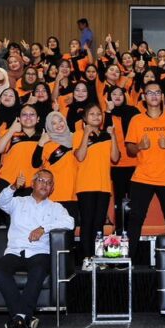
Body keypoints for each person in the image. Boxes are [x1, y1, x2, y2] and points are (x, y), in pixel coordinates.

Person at [0, 169, 74, 328]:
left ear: (52, 188)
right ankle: (24, 317)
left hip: (39, 252)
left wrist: (44, 228)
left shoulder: (56, 207)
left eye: (49, 183)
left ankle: (18, 318)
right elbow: (0, 201)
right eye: (41, 180)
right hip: (15, 251)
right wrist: (13, 186)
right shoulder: (18, 202)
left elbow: (70, 222)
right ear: (33, 183)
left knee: (39, 270)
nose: (45, 185)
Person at [124, 82, 165, 260]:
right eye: (150, 93)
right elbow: (129, 149)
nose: (154, 96)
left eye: (157, 92)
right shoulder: (136, 120)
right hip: (142, 177)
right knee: (135, 219)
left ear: (162, 96)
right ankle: (128, 261)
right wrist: (139, 146)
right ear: (144, 97)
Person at [73, 103, 119, 258]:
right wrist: (86, 134)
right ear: (85, 118)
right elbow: (80, 156)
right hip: (85, 185)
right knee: (87, 222)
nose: (96, 117)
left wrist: (113, 136)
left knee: (99, 224)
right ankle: (86, 258)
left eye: (99, 114)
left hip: (104, 186)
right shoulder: (78, 134)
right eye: (91, 114)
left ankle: (98, 257)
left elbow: (115, 158)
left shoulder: (107, 135)